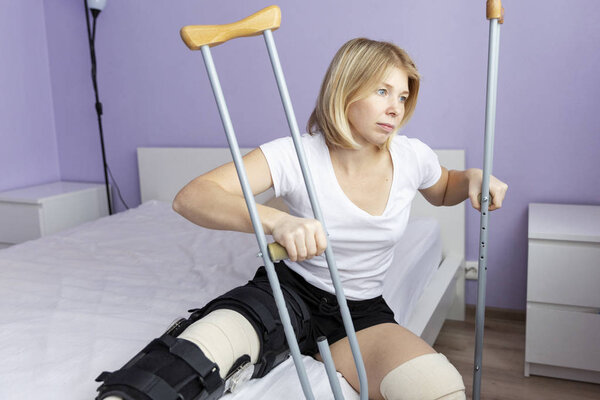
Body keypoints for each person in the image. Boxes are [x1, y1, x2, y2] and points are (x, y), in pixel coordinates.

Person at [96, 38, 508, 400]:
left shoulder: (412, 156)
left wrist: (471, 178)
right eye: (382, 91)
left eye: (402, 96)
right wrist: (277, 222)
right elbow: (192, 198)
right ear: (346, 90)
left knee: (438, 389)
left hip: (361, 311)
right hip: (286, 293)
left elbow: (444, 188)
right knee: (181, 364)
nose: (395, 108)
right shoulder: (295, 153)